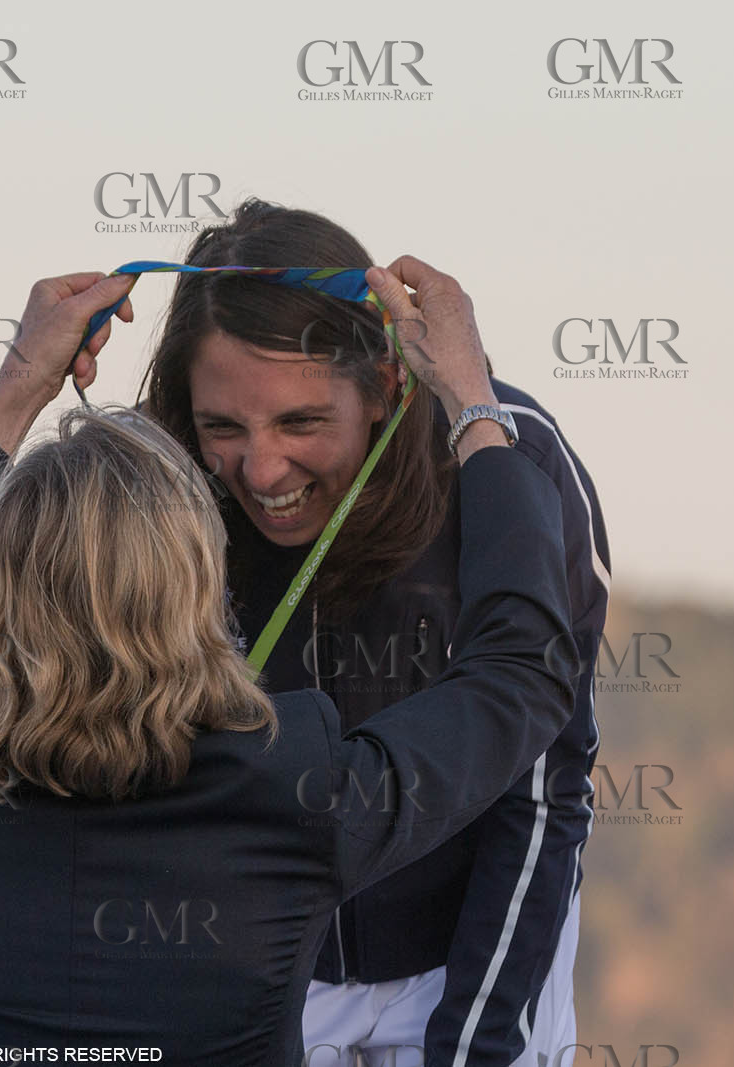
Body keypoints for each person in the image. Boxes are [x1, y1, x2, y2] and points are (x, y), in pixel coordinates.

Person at [0, 264, 577, 1065]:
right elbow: (522, 670)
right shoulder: (289, 792)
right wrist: (474, 403)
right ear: (197, 595)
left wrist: (17, 390)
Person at [136, 200, 611, 1067]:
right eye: (223, 427)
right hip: (267, 965)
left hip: (461, 954)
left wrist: (477, 1040)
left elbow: (539, 794)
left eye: (302, 422)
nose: (262, 468)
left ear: (389, 382)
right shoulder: (159, 490)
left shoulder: (511, 460)